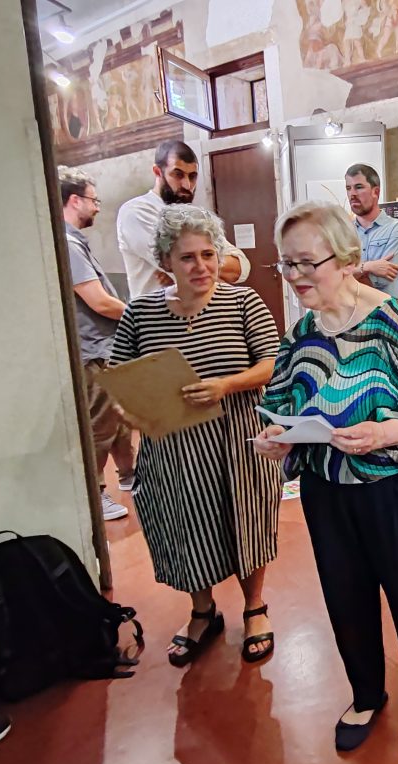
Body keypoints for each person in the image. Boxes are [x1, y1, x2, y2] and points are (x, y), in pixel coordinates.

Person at [253, 201, 398, 761]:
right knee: (345, 596)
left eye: (307, 262)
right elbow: (283, 407)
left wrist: (383, 433)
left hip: (396, 490)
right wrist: (278, 438)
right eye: (287, 263)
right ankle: (367, 694)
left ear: (346, 259)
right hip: (326, 490)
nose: (295, 275)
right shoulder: (302, 333)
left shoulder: (389, 321)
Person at [110, 204, 282, 667]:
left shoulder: (242, 302)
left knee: (245, 519)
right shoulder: (141, 312)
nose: (201, 266)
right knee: (185, 525)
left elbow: (272, 363)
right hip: (172, 443)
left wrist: (226, 385)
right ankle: (202, 611)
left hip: (236, 437)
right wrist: (128, 407)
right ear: (165, 260)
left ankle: (255, 608)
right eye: (187, 257)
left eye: (208, 254)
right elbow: (119, 373)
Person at [59, 165, 135, 521]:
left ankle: (130, 476)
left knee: (118, 419)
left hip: (104, 347)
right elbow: (99, 302)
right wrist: (139, 314)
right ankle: (95, 494)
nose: (97, 207)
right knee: (99, 426)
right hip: (92, 350)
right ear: (74, 200)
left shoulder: (76, 242)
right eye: (94, 200)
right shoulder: (68, 244)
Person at [117, 140, 251, 298]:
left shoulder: (197, 217)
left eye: (192, 176)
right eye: (178, 174)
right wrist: (212, 267)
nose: (187, 185)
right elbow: (180, 269)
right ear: (158, 172)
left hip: (201, 311)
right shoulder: (136, 211)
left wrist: (189, 266)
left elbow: (242, 267)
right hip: (157, 312)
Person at [346, 163, 398, 299]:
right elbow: (333, 277)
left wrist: (349, 273)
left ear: (376, 192)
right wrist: (367, 267)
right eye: (348, 188)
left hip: (385, 309)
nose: (352, 194)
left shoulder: (397, 229)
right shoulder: (344, 232)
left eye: (359, 187)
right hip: (353, 310)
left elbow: (383, 280)